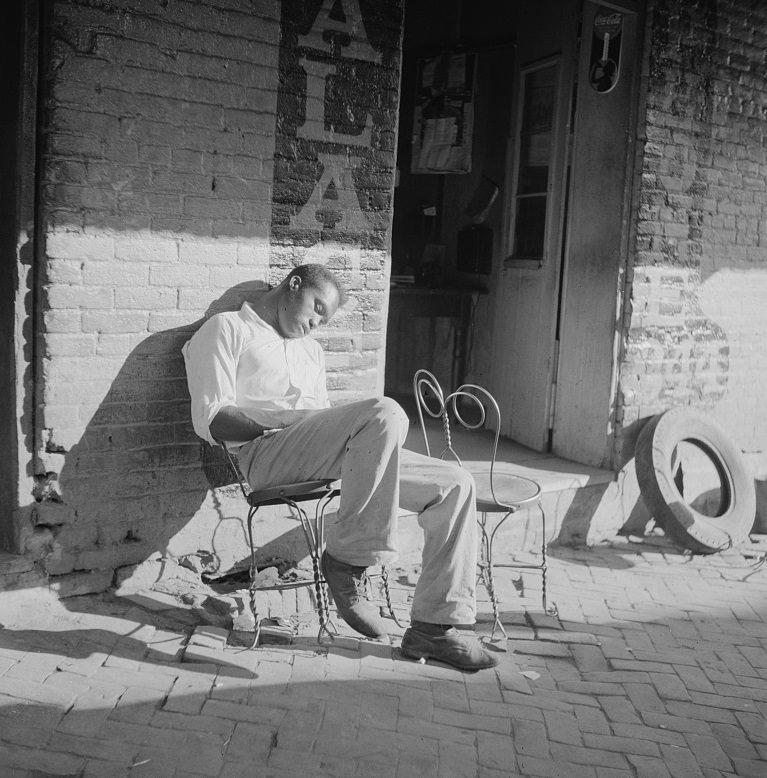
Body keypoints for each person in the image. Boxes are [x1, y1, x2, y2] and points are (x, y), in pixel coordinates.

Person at [182, 264, 497, 671]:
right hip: (265, 456)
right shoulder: (227, 329)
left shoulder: (310, 351)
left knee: (455, 483)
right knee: (383, 411)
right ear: (293, 285)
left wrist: (322, 424)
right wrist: (290, 418)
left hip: (325, 457)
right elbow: (210, 421)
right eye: (316, 308)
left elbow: (331, 428)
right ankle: (348, 560)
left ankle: (436, 627)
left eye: (323, 319)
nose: (315, 324)